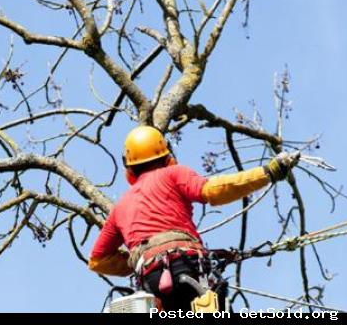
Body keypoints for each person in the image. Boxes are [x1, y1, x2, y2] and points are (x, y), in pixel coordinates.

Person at [89, 126, 300, 311]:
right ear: (167, 157)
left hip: (151, 286)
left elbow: (98, 260)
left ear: (130, 169)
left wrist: (141, 259)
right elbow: (213, 190)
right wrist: (268, 172)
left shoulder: (120, 207)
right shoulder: (173, 174)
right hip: (187, 269)